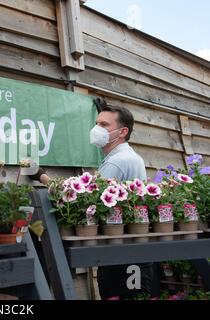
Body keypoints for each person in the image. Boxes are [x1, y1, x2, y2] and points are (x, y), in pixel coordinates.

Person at [29, 98, 160, 299]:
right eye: (97, 123)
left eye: (104, 125)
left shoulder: (117, 162)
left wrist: (41, 176)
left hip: (121, 257)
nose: (97, 129)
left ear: (122, 132)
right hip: (131, 251)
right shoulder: (128, 156)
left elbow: (83, 197)